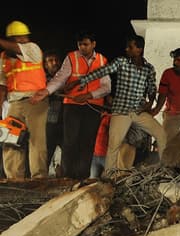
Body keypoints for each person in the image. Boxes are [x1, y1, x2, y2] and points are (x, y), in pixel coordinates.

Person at [64, 35, 166, 176]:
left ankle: (164, 169)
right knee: (114, 145)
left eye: (130, 47)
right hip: (121, 111)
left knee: (161, 134)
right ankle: (109, 177)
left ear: (139, 49)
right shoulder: (121, 62)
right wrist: (79, 82)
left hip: (138, 111)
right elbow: (101, 71)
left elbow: (152, 88)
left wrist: (150, 101)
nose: (126, 49)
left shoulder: (149, 68)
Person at [33, 31, 110, 179]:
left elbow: (106, 87)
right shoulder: (71, 57)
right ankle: (67, 179)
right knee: (70, 142)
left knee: (87, 143)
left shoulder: (102, 60)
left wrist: (88, 96)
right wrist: (47, 91)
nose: (82, 47)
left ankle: (82, 178)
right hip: (72, 105)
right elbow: (60, 78)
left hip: (92, 107)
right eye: (80, 44)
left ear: (93, 44)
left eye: (86, 44)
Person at [0, 21, 48, 179]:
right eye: (21, 38)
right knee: (10, 140)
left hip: (35, 101)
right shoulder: (4, 58)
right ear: (14, 39)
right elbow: (2, 85)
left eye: (25, 37)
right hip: (14, 103)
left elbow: (17, 49)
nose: (25, 40)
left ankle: (39, 178)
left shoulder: (33, 49)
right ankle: (14, 179)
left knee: (36, 141)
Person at [43, 50, 64, 176]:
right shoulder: (42, 80)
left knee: (65, 155)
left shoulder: (65, 78)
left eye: (56, 60)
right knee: (46, 153)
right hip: (49, 122)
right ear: (45, 65)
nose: (55, 63)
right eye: (50, 61)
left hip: (65, 122)